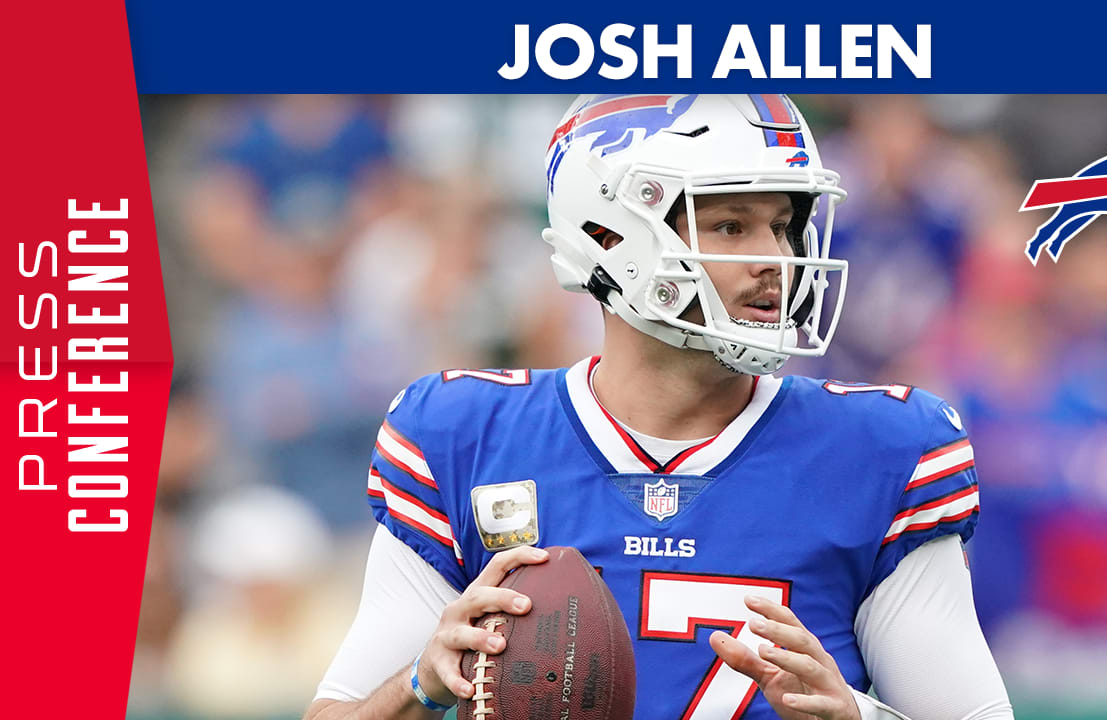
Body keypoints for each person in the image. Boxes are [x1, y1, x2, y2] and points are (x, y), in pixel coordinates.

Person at [305, 94, 1014, 720]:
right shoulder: (463, 437)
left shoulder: (879, 451)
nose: (774, 258)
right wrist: (421, 685)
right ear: (609, 236)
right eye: (732, 226)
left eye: (783, 225)